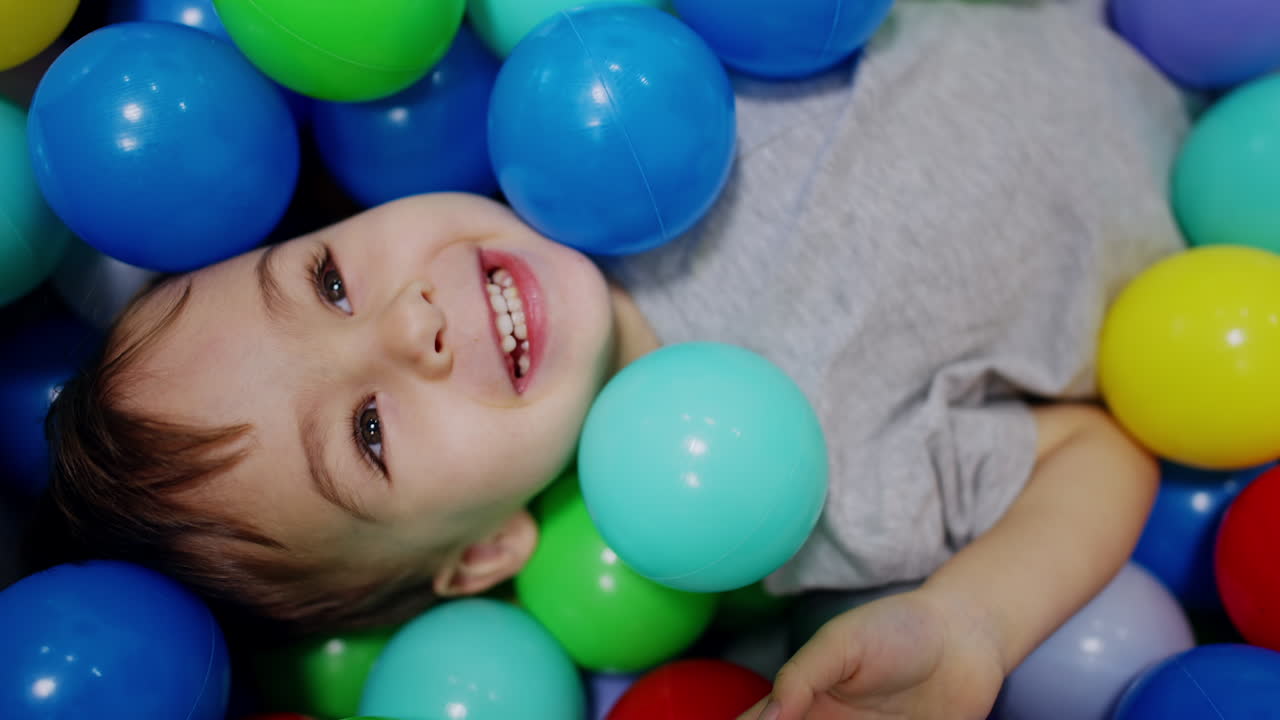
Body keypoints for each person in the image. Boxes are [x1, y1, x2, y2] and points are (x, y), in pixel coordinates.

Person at [34, 1, 1189, 718]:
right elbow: (1092, 445)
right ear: (486, 551)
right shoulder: (793, 490)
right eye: (367, 434)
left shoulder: (586, 56)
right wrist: (969, 626)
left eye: (330, 281)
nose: (404, 326)